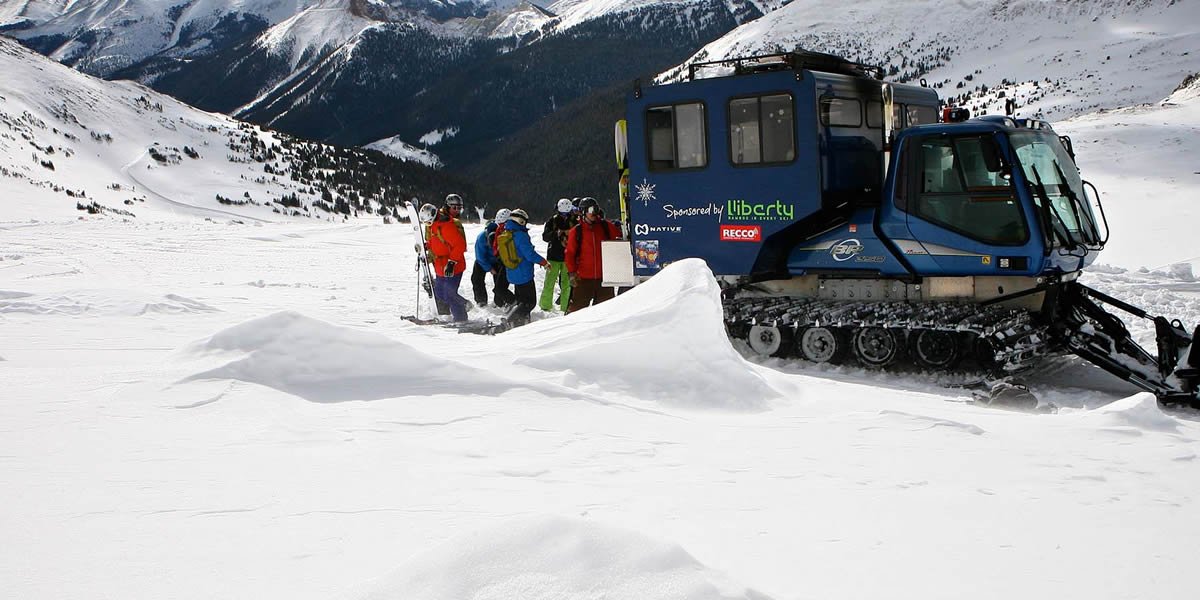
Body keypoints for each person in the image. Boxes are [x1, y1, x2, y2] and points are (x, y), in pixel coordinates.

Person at [565, 197, 622, 314]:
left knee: (606, 313)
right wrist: (571, 272)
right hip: (583, 279)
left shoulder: (605, 227)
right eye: (591, 210)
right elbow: (570, 253)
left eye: (596, 209)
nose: (594, 213)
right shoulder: (577, 231)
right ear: (583, 212)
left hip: (604, 279)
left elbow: (620, 239)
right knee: (577, 313)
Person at [427, 193, 469, 322]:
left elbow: (460, 245)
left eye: (459, 208)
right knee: (440, 292)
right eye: (454, 207)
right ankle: (463, 304)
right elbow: (433, 240)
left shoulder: (449, 223)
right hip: (440, 265)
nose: (457, 211)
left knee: (450, 294)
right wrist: (427, 249)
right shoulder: (434, 221)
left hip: (453, 265)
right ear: (447, 206)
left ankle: (461, 319)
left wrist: (451, 263)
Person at [502, 208, 547, 327]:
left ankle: (521, 322)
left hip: (513, 272)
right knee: (530, 302)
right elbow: (530, 254)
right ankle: (511, 320)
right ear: (520, 221)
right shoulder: (521, 235)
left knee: (521, 301)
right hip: (524, 273)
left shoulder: (508, 233)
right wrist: (544, 262)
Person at [539, 198, 577, 312]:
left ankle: (549, 305)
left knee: (560, 283)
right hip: (561, 256)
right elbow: (545, 237)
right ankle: (557, 306)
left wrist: (557, 234)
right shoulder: (573, 221)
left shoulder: (553, 220)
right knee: (561, 283)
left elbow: (545, 236)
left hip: (560, 256)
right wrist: (558, 234)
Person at [471, 208, 514, 308]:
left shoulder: (504, 235)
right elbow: (480, 256)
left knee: (499, 281)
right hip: (484, 261)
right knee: (476, 278)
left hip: (498, 260)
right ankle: (481, 300)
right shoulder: (482, 237)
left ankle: (499, 301)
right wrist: (489, 268)